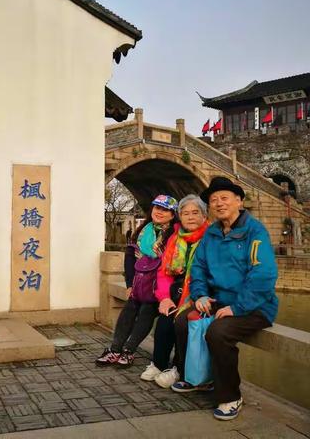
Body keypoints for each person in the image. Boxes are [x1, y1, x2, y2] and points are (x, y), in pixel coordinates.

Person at [171, 176, 278, 421]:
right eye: (213, 200)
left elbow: (263, 275)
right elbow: (198, 267)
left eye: (224, 198)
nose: (219, 203)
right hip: (218, 299)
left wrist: (237, 307)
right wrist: (199, 295)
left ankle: (230, 396)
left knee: (218, 332)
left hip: (255, 305)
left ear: (239, 201)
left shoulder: (255, 230)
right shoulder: (212, 233)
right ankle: (199, 378)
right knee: (182, 321)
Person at [96, 194, 178, 367]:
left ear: (173, 214)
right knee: (129, 308)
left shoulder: (175, 233)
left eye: (165, 210)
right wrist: (129, 284)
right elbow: (130, 257)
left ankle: (129, 351)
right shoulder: (143, 230)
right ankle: (115, 349)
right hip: (140, 282)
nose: (160, 212)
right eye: (157, 208)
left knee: (147, 310)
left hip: (160, 286)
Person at [140, 194, 209, 387]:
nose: (190, 217)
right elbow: (164, 272)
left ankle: (179, 368)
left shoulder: (210, 237)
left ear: (204, 216)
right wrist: (163, 297)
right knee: (164, 319)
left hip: (198, 292)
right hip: (175, 290)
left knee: (181, 322)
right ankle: (159, 363)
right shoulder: (175, 238)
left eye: (195, 212)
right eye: (185, 213)